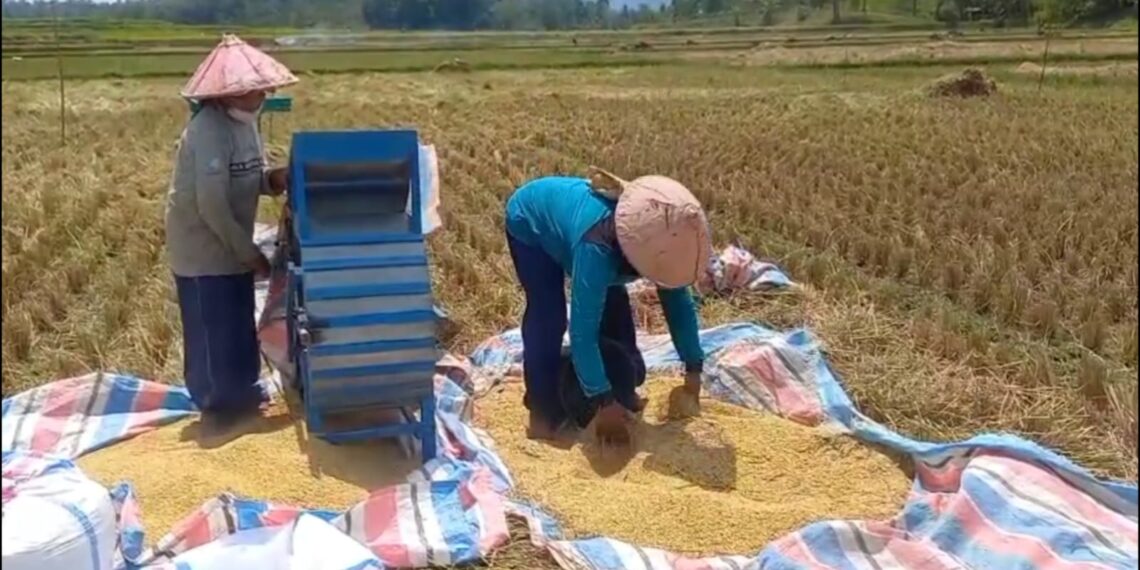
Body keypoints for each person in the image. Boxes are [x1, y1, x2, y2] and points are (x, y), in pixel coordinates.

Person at [504, 167, 712, 444]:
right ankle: (544, 414)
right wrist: (603, 402)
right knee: (549, 316)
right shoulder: (597, 246)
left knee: (616, 309)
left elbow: (678, 304)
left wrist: (693, 366)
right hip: (532, 223)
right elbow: (582, 331)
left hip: (588, 237)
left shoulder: (664, 239)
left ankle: (622, 390)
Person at [164, 35, 298, 429]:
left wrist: (272, 179)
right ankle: (216, 407)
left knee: (239, 318)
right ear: (230, 93)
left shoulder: (246, 125)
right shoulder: (207, 129)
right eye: (256, 89)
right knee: (214, 323)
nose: (265, 93)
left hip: (232, 235)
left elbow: (245, 175)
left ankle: (244, 394)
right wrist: (249, 254)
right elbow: (212, 204)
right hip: (203, 242)